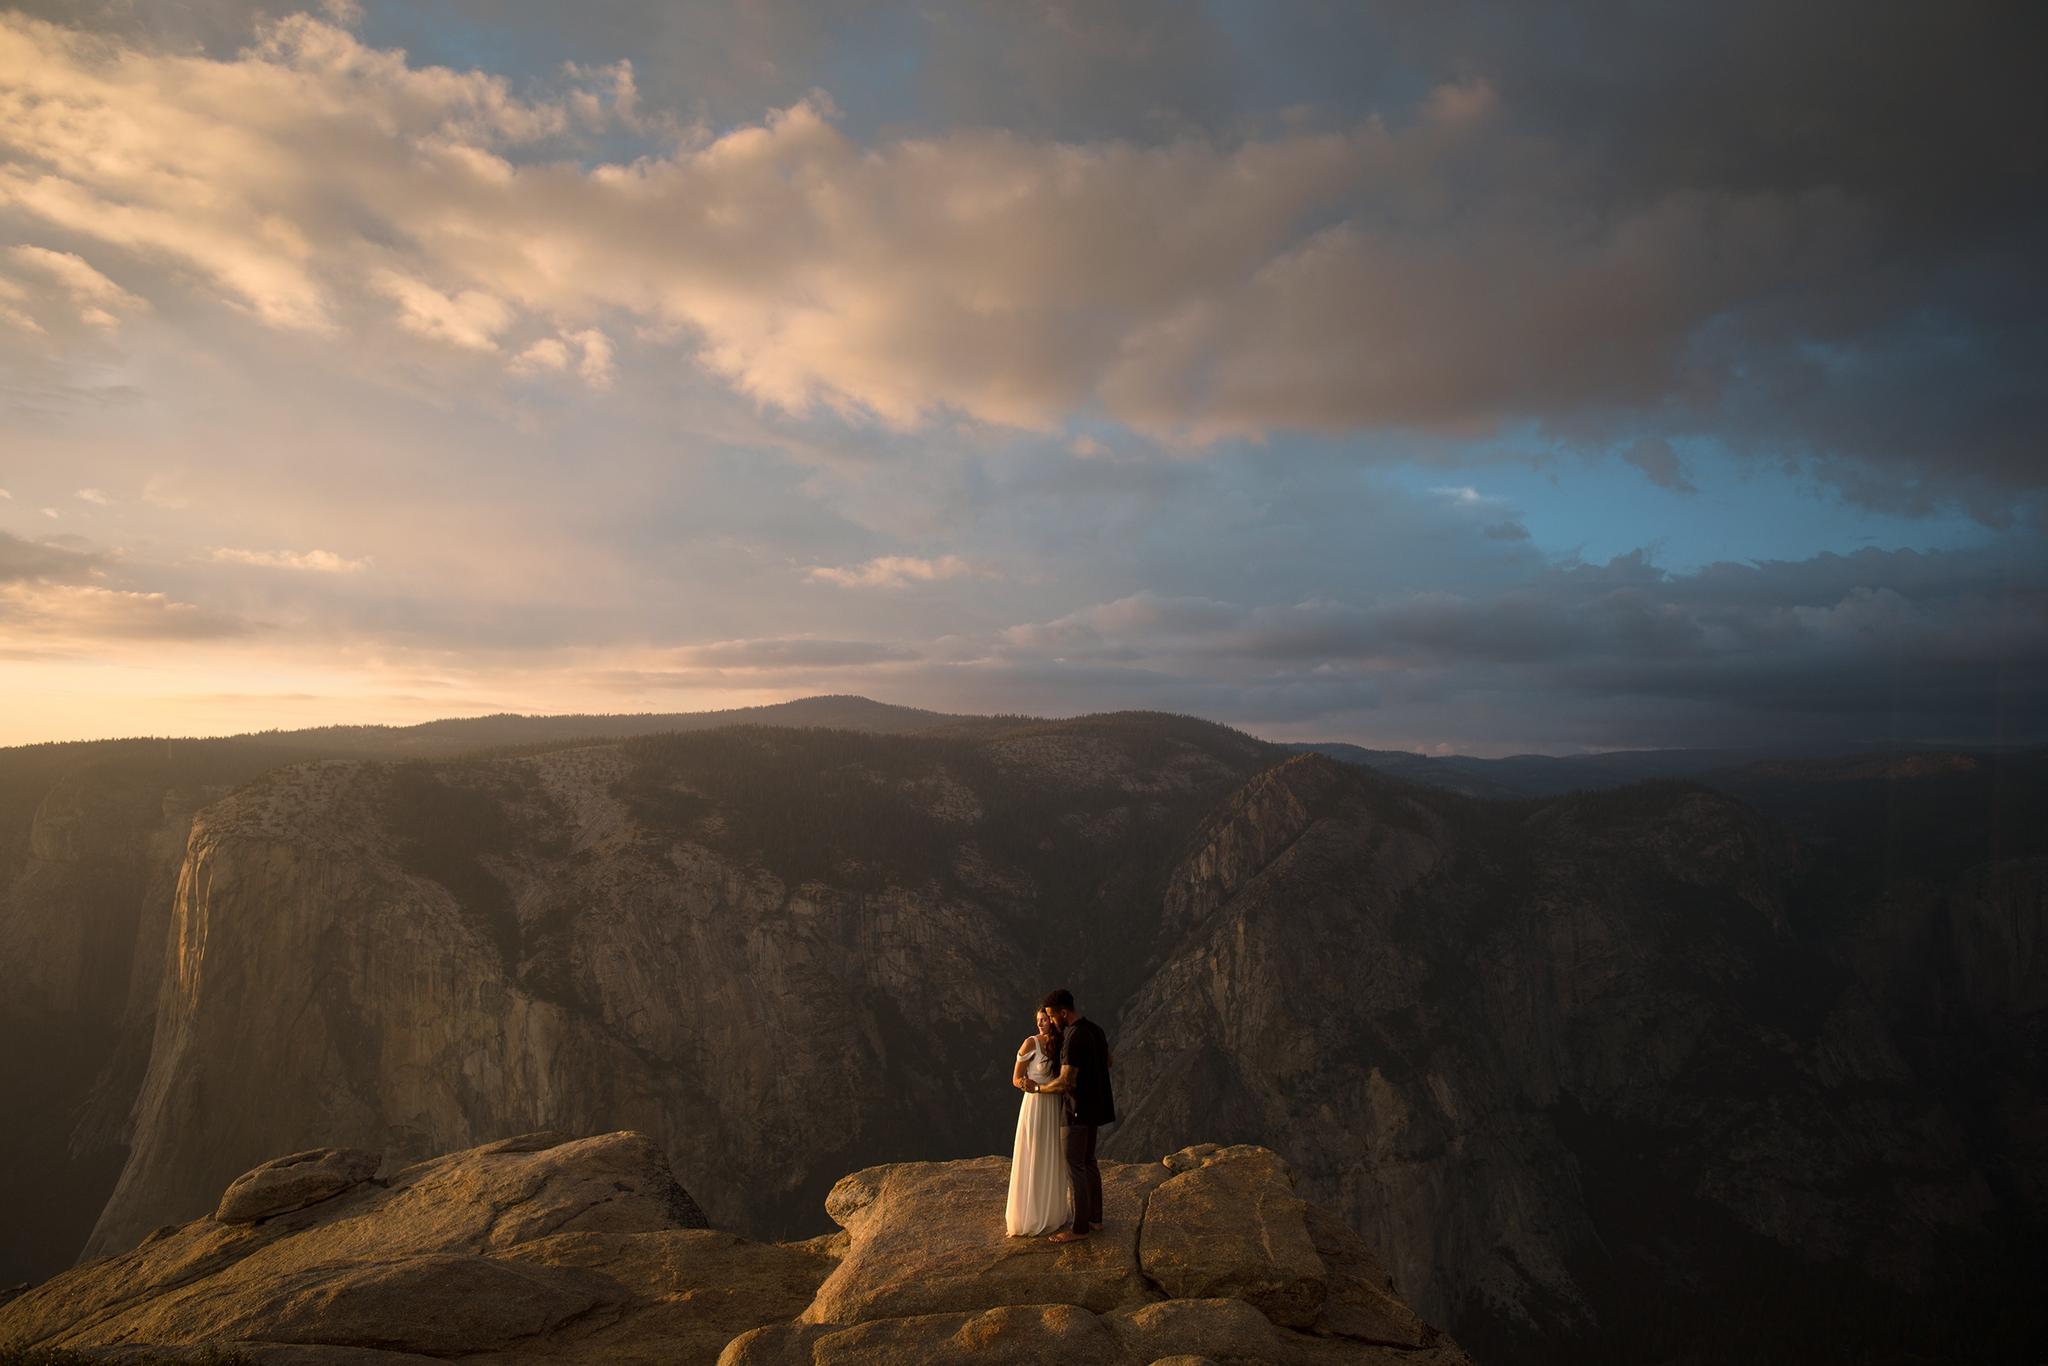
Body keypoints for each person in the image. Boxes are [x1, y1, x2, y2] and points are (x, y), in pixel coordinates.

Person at [1027, 987, 1114, 1242]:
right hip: (1096, 1107)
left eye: (1053, 1017)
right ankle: (1095, 1220)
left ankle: (1079, 1229)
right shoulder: (1095, 1030)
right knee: (1089, 1162)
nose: (1052, 1022)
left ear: (1064, 1013)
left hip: (1076, 1110)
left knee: (1074, 1166)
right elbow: (1109, 1061)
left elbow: (1065, 1082)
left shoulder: (1073, 1037)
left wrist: (1039, 1089)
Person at [1004, 1006, 1072, 1236]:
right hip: (1035, 1105)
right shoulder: (1030, 1043)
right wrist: (1029, 1086)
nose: (1041, 1023)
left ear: (1052, 1021)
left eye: (1044, 1019)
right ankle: (1030, 1215)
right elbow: (1015, 1078)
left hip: (1055, 1106)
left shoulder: (1061, 1043)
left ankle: (1051, 1212)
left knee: (1052, 1155)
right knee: (1033, 1153)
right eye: (1038, 1020)